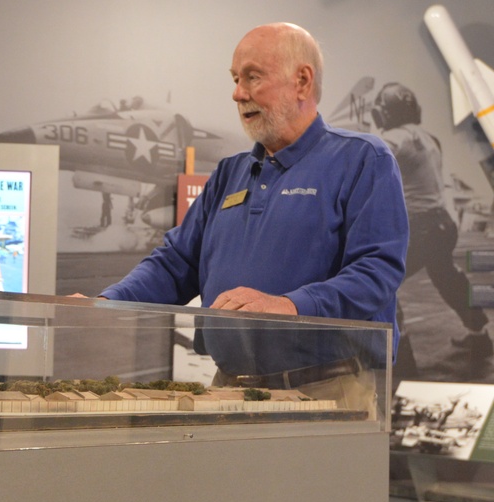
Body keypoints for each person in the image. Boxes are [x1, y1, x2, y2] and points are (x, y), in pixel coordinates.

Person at [98, 23, 409, 408]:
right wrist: (107, 301)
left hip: (326, 389)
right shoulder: (230, 173)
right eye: (235, 79)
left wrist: (290, 305)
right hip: (229, 385)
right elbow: (176, 262)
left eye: (252, 77)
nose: (237, 93)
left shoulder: (363, 159)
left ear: (302, 81)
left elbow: (377, 271)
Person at [371, 82, 491, 364]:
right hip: (443, 226)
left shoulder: (394, 140)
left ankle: (402, 359)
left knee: (382, 281)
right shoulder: (429, 138)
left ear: (386, 113)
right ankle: (480, 336)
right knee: (447, 276)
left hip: (422, 229)